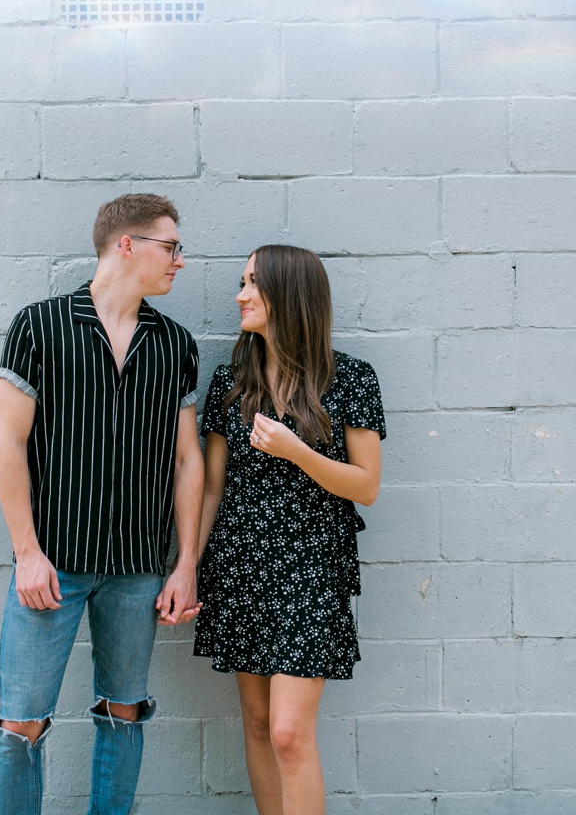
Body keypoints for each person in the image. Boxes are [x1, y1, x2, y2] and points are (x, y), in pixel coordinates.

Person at [0, 193, 204, 815]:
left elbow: (187, 460)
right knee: (19, 725)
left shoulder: (175, 344)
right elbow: (9, 442)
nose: (179, 262)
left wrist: (184, 562)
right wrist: (27, 553)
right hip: (52, 564)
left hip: (137, 568)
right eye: (171, 247)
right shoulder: (40, 325)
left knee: (124, 714)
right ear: (126, 245)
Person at [194, 244, 386, 815]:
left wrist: (297, 451)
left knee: (288, 733)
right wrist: (188, 567)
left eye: (253, 283)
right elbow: (210, 487)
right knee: (256, 724)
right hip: (239, 568)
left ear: (288, 294)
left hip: (310, 571)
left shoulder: (349, 378)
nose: (240, 294)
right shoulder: (232, 380)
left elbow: (366, 485)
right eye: (242, 282)